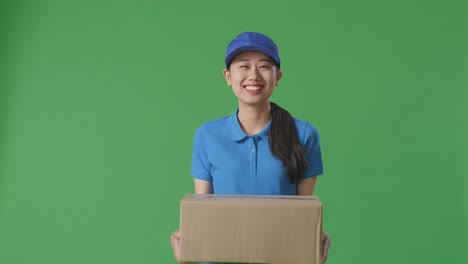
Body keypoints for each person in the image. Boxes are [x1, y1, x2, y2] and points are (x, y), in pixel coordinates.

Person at [170, 31, 331, 264]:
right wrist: (188, 248)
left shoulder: (304, 134)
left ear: (278, 76)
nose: (253, 75)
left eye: (264, 66)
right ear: (228, 76)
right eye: (243, 66)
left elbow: (303, 215)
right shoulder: (207, 135)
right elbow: (202, 212)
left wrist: (312, 247)